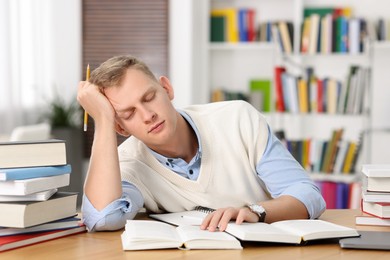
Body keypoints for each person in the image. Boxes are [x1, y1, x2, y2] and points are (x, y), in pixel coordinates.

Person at [77, 55, 326, 232]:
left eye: (149, 97)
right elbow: (103, 218)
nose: (147, 115)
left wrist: (256, 212)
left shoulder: (237, 118)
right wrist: (103, 120)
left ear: (167, 88)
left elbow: (307, 195)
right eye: (129, 114)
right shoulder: (129, 162)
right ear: (120, 128)